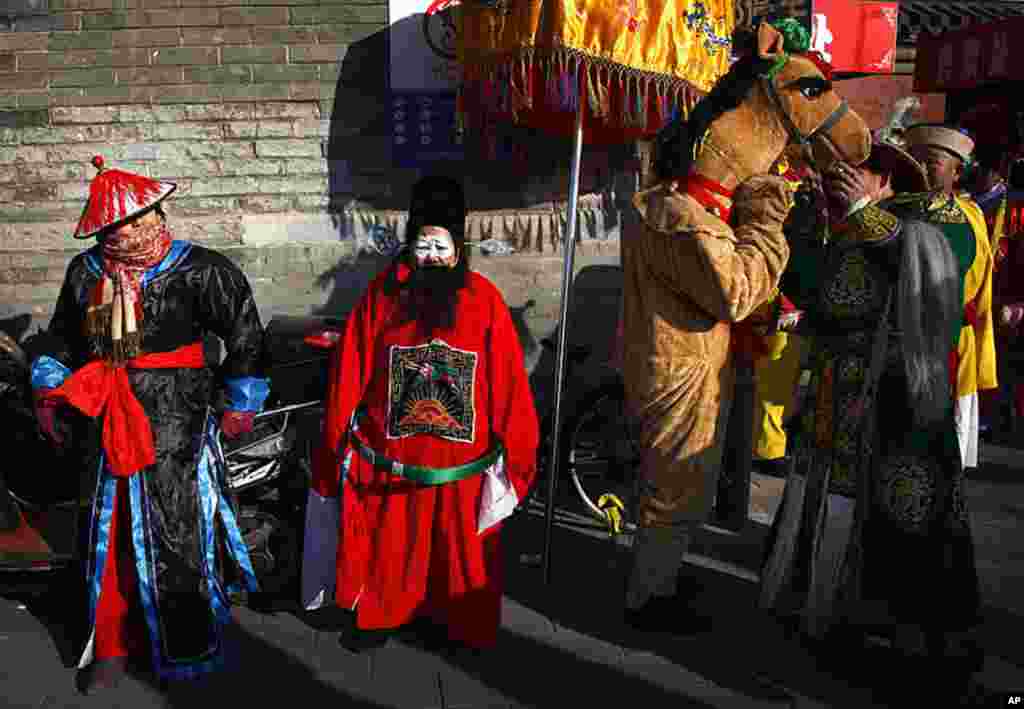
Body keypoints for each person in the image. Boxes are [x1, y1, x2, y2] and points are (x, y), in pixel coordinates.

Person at [761, 133, 987, 705]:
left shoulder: (946, 219)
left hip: (901, 391)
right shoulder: (852, 224)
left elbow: (938, 264)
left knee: (903, 508)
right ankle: (823, 608)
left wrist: (862, 216)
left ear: (889, 177)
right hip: (839, 385)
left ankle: (908, 634)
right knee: (825, 498)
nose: (853, 177)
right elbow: (807, 286)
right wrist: (808, 221)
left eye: (867, 171)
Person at [30, 156, 268, 690]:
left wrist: (240, 402)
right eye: (119, 224)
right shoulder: (85, 273)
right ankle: (111, 645)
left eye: (141, 217)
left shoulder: (203, 269)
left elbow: (247, 338)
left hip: (177, 420)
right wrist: (49, 390)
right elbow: (63, 340)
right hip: (106, 414)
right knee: (108, 533)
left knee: (177, 531)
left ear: (160, 212)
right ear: (102, 228)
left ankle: (186, 646)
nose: (132, 230)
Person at [306, 175, 538, 652]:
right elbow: (350, 368)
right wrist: (335, 439)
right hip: (392, 459)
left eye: (441, 245)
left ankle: (456, 623)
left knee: (460, 553)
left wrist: (517, 451)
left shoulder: (483, 300)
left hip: (461, 466)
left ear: (460, 245)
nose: (431, 256)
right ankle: (381, 612)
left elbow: (510, 384)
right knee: (393, 545)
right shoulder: (383, 297)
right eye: (422, 244)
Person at [901, 124, 996, 473]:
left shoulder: (971, 215)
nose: (925, 166)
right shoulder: (901, 210)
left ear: (957, 171)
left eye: (935, 161)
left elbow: (981, 274)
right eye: (920, 159)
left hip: (956, 335)